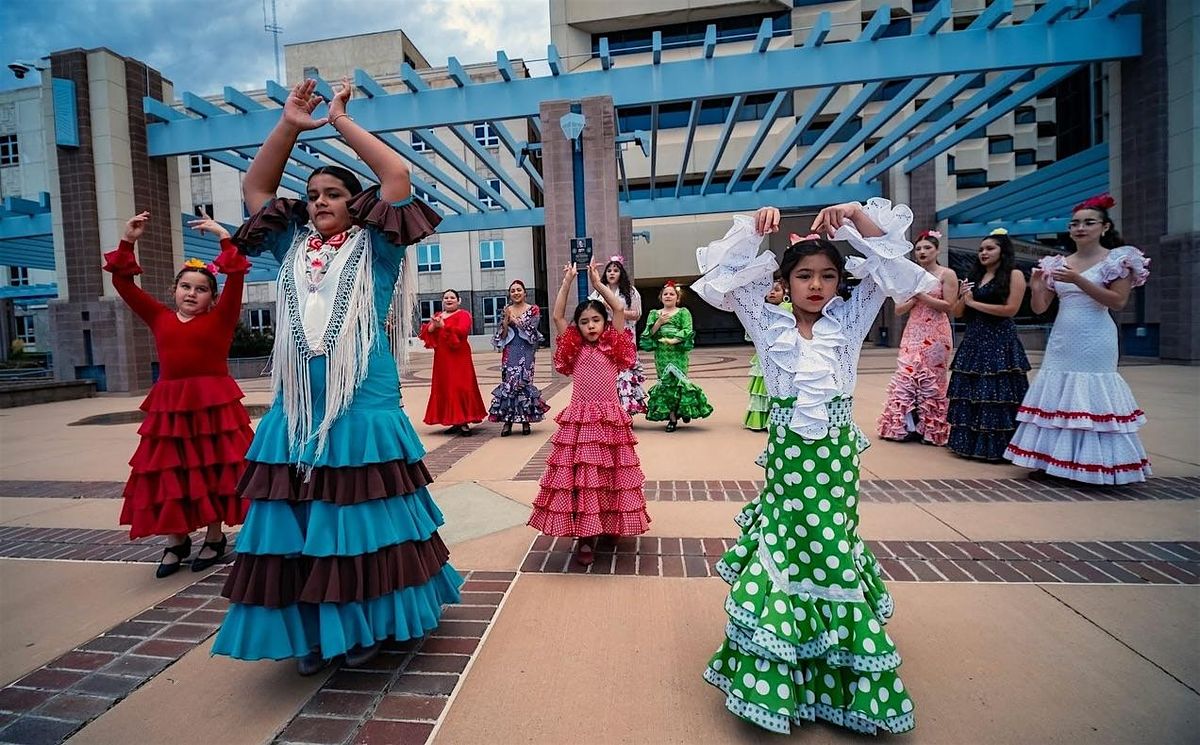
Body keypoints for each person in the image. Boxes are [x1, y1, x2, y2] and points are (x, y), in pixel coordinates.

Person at [211, 78, 461, 676]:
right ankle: (317, 628)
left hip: (362, 401)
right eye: (314, 194)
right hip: (297, 405)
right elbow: (257, 188)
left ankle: (364, 625)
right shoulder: (289, 246)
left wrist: (341, 122)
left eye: (332, 193)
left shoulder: (378, 246)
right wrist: (290, 124)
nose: (319, 200)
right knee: (304, 525)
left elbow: (396, 180)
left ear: (355, 202)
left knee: (357, 524)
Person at [693, 200, 935, 736]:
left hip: (835, 464)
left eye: (828, 275)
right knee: (787, 551)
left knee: (830, 551)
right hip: (788, 465)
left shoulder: (851, 319)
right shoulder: (765, 320)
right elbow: (720, 276)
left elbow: (892, 260)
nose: (817, 285)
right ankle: (779, 678)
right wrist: (751, 229)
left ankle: (837, 678)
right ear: (785, 280)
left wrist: (852, 216)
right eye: (804, 275)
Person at [104, 211, 253, 578]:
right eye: (186, 286)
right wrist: (128, 240)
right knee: (171, 470)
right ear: (174, 291)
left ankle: (215, 537)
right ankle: (176, 540)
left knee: (212, 469)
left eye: (201, 289)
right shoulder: (159, 317)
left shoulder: (221, 319)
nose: (192, 293)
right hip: (171, 407)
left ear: (212, 298)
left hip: (212, 406)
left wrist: (223, 237)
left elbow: (235, 275)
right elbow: (124, 284)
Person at [1005, 194, 1151, 483]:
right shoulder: (1057, 262)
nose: (1080, 228)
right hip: (1063, 335)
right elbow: (1040, 309)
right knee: (1058, 391)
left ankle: (1091, 464)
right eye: (1075, 224)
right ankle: (1051, 461)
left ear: (1105, 227)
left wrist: (1079, 280)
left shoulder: (1117, 259)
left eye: (1088, 222)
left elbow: (1118, 302)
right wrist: (1036, 286)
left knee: (1089, 392)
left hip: (1096, 334)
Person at [528, 262, 650, 566]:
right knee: (584, 480)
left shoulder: (613, 343)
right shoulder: (575, 348)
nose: (591, 326)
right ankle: (585, 535)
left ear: (604, 323)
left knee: (611, 478)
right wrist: (567, 280)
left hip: (610, 419)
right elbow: (557, 315)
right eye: (584, 322)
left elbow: (619, 310)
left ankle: (609, 523)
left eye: (596, 320)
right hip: (582, 422)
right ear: (578, 327)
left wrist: (598, 285)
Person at [946, 228, 1030, 461]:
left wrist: (974, 304)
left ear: (1003, 251)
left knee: (998, 393)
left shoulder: (1014, 274)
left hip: (999, 339)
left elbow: (1010, 310)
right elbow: (958, 312)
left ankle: (999, 448)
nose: (984, 252)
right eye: (981, 249)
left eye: (990, 248)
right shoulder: (974, 276)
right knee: (972, 392)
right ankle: (970, 445)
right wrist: (963, 297)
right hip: (974, 338)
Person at [877, 229, 957, 446]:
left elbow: (949, 305)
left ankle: (931, 430)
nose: (922, 252)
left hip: (937, 333)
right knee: (906, 376)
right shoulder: (909, 275)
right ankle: (904, 427)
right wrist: (914, 297)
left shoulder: (946, 274)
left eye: (927, 248)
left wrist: (922, 294)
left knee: (932, 380)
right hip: (913, 331)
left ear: (937, 250)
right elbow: (898, 310)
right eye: (919, 249)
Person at [640, 281, 713, 431]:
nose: (668, 296)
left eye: (671, 294)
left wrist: (673, 340)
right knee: (667, 384)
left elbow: (687, 330)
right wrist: (659, 323)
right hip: (662, 353)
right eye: (665, 294)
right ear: (661, 297)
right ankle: (672, 418)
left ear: (677, 298)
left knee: (680, 382)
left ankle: (684, 409)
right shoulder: (655, 314)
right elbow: (649, 334)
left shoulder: (683, 312)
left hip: (678, 352)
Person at [420, 288, 487, 436]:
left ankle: (463, 422)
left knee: (460, 386)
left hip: (459, 356)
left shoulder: (464, 315)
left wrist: (443, 326)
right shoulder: (438, 315)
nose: (449, 300)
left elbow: (462, 331)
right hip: (442, 358)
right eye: (446, 298)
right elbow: (427, 333)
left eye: (452, 298)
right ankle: (455, 421)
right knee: (446, 386)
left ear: (459, 300)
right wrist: (433, 326)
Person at [488, 279, 551, 436]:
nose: (516, 293)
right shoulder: (506, 309)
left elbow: (531, 330)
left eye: (518, 290)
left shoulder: (533, 310)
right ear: (510, 294)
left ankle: (525, 421)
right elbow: (501, 334)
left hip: (526, 352)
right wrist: (505, 321)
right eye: (513, 290)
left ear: (525, 292)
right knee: (508, 385)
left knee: (523, 384)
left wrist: (515, 319)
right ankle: (507, 422)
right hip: (510, 351)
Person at [590, 257, 648, 416]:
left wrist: (616, 309)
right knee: (607, 374)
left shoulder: (630, 291)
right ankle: (609, 412)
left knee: (624, 374)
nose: (612, 273)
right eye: (609, 270)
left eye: (615, 270)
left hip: (625, 335)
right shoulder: (598, 291)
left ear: (621, 273)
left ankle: (626, 411)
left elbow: (637, 314)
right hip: (604, 337)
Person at [744, 279, 789, 430]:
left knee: (780, 386)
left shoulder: (789, 308)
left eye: (776, 290)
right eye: (769, 290)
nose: (772, 292)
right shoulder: (761, 310)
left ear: (785, 293)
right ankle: (760, 421)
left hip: (783, 355)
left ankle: (777, 420)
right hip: (764, 354)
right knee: (762, 388)